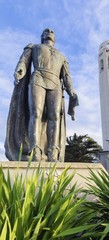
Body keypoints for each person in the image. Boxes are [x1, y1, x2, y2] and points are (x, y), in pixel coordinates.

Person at [5, 28, 78, 162]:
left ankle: (53, 153)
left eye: (52, 31)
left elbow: (67, 77)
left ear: (54, 38)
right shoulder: (34, 47)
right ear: (42, 36)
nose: (49, 30)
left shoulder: (62, 56)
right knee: (36, 113)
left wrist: (71, 91)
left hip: (56, 83)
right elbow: (23, 61)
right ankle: (35, 150)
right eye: (46, 30)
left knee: (54, 117)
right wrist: (20, 69)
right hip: (38, 78)